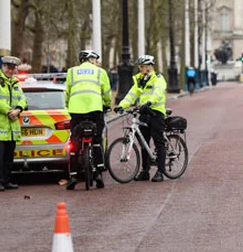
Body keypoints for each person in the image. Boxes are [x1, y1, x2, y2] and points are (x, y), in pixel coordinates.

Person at [114, 54, 168, 182]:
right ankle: (145, 171)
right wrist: (121, 105)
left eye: (142, 66)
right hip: (144, 113)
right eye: (140, 67)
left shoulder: (158, 79)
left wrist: (149, 102)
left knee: (158, 141)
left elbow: (158, 92)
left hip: (156, 112)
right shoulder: (139, 80)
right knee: (143, 142)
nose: (141, 69)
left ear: (150, 66)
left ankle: (160, 171)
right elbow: (131, 95)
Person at [64, 50, 111, 190]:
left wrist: (68, 105)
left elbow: (67, 92)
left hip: (76, 109)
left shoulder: (71, 72)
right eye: (95, 60)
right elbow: (107, 91)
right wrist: (107, 105)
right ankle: (98, 173)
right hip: (95, 108)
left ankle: (72, 176)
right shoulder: (100, 72)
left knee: (74, 142)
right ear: (91, 60)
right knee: (97, 139)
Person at [0, 56, 27, 192]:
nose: (10, 70)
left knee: (8, 157)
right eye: (8, 67)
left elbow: (23, 99)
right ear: (2, 67)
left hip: (11, 128)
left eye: (13, 68)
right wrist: (9, 111)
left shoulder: (15, 83)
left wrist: (18, 110)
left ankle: (6, 180)